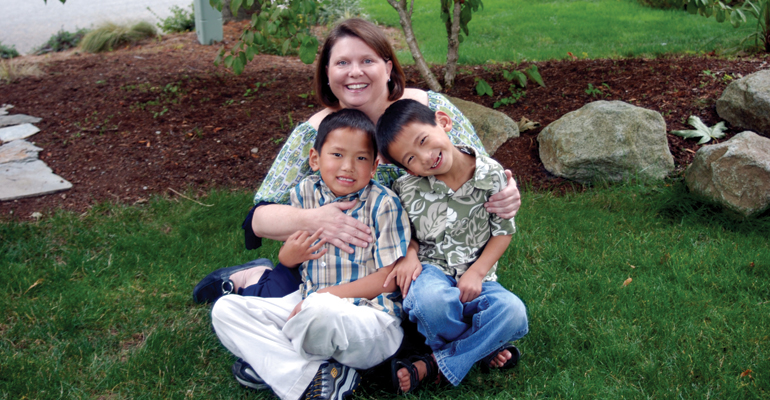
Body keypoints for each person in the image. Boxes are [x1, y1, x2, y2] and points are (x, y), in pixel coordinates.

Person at [211, 108, 411, 400]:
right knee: (227, 310)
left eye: (361, 158)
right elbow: (295, 255)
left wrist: (325, 296)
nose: (348, 167)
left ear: (374, 166)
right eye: (337, 155)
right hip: (308, 305)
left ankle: (272, 362)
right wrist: (286, 258)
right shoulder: (305, 193)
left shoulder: (384, 204)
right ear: (315, 159)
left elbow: (389, 280)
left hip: (371, 318)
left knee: (319, 312)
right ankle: (319, 377)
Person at [375, 99, 529, 393]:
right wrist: (408, 254)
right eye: (410, 159)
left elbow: (503, 230)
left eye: (423, 141)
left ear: (443, 122)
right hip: (432, 270)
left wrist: (477, 273)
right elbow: (405, 231)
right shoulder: (406, 189)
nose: (424, 157)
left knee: (513, 311)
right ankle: (481, 349)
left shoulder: (491, 175)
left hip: (479, 275)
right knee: (428, 303)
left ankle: (433, 363)